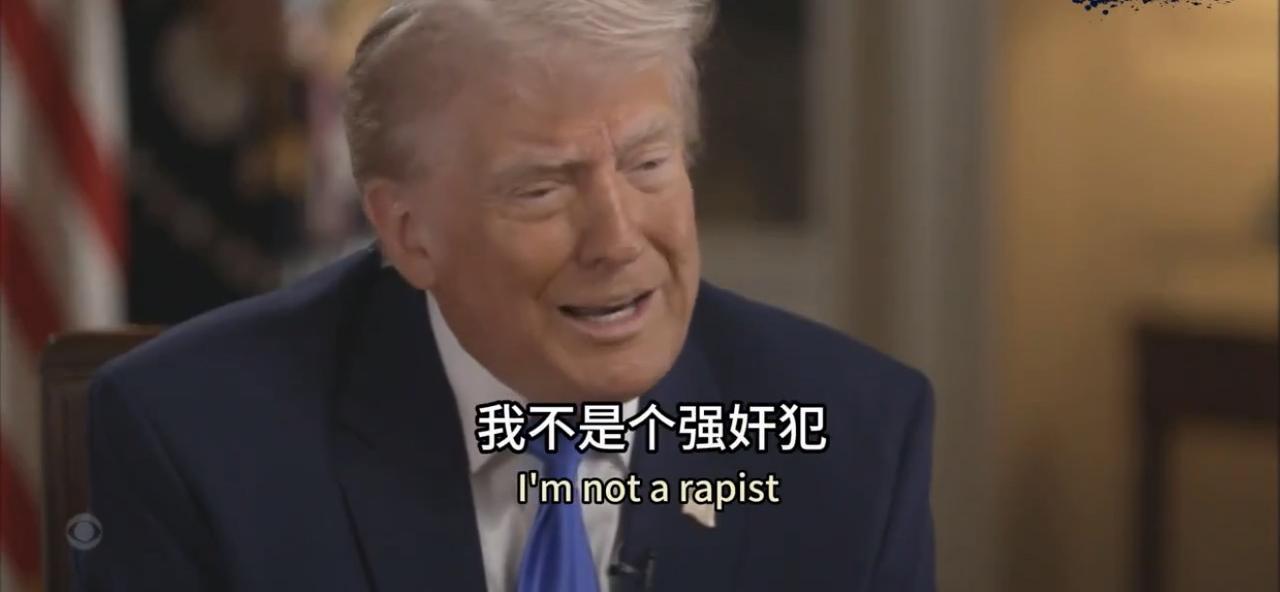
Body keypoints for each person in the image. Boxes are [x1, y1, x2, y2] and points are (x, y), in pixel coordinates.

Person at [81, 1, 935, 590]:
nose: (617, 240)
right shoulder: (196, 441)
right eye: (541, 189)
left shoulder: (852, 440)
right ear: (409, 233)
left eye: (647, 164)